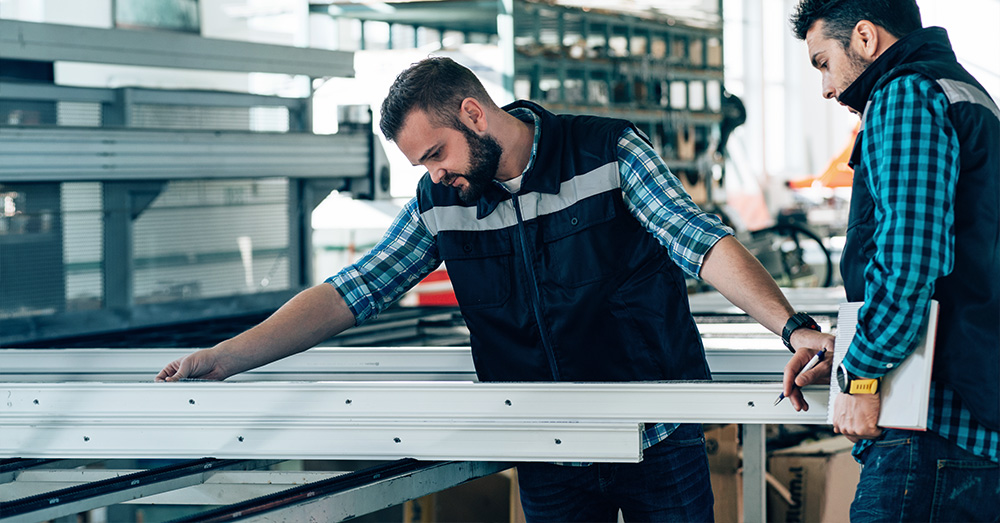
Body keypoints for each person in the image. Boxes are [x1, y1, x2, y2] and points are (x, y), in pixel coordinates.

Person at [158, 57, 833, 522]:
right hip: (551, 448)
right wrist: (226, 356)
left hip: (655, 434)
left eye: (434, 154)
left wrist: (792, 325)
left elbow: (700, 242)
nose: (432, 175)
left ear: (473, 114)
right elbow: (352, 289)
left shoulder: (606, 155)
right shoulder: (441, 200)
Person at [782, 1, 1000, 521]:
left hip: (931, 425)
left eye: (822, 63)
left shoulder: (905, 93)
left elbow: (909, 262)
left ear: (864, 37)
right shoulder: (966, 91)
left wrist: (859, 375)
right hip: (969, 413)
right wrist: (850, 351)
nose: (827, 88)